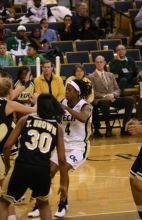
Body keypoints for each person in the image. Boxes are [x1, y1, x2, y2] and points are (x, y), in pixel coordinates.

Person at [28, 79, 92, 218]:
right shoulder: (62, 102)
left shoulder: (85, 106)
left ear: (77, 92)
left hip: (78, 147)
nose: (66, 92)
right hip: (62, 145)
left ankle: (63, 202)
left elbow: (83, 118)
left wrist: (67, 109)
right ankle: (41, 204)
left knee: (64, 168)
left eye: (69, 90)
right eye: (66, 89)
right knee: (48, 172)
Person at [0, 93, 68, 220]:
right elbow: (62, 160)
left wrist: (8, 166)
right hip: (42, 171)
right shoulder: (57, 128)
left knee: (4, 202)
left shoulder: (25, 120)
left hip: (21, 167)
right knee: (43, 204)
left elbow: (7, 146)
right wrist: (63, 184)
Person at [88, 55, 134, 137]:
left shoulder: (110, 75)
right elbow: (93, 92)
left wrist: (113, 94)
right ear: (95, 63)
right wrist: (105, 96)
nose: (99, 64)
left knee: (130, 100)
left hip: (112, 99)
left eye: (101, 62)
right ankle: (108, 128)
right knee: (105, 102)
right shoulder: (91, 76)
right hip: (100, 100)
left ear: (104, 63)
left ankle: (125, 128)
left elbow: (118, 89)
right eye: (97, 62)